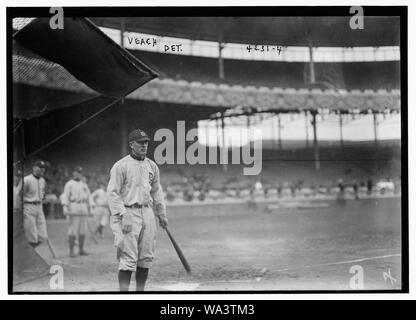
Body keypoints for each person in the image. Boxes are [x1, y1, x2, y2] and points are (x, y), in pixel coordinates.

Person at [107, 128, 168, 291]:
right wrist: (123, 213)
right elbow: (112, 193)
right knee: (128, 257)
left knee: (146, 256)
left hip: (147, 211)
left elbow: (156, 191)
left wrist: (161, 212)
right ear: (131, 144)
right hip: (127, 212)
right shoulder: (120, 166)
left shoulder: (152, 165)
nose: (144, 145)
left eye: (146, 142)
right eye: (140, 143)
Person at [61, 166, 93, 257]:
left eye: (80, 172)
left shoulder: (84, 185)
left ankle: (81, 249)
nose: (78, 174)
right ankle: (71, 251)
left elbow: (89, 197)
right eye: (76, 172)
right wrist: (65, 207)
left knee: (83, 230)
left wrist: (91, 208)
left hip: (83, 206)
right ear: (73, 173)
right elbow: (65, 196)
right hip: (74, 205)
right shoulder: (69, 184)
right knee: (73, 230)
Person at [22, 160, 49, 248]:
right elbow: (20, 195)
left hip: (39, 207)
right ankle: (29, 255)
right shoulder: (26, 179)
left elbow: (43, 194)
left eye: (43, 168)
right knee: (31, 236)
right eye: (40, 167)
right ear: (34, 168)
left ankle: (29, 251)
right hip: (28, 206)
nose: (42, 169)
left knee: (43, 236)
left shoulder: (42, 180)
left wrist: (43, 197)